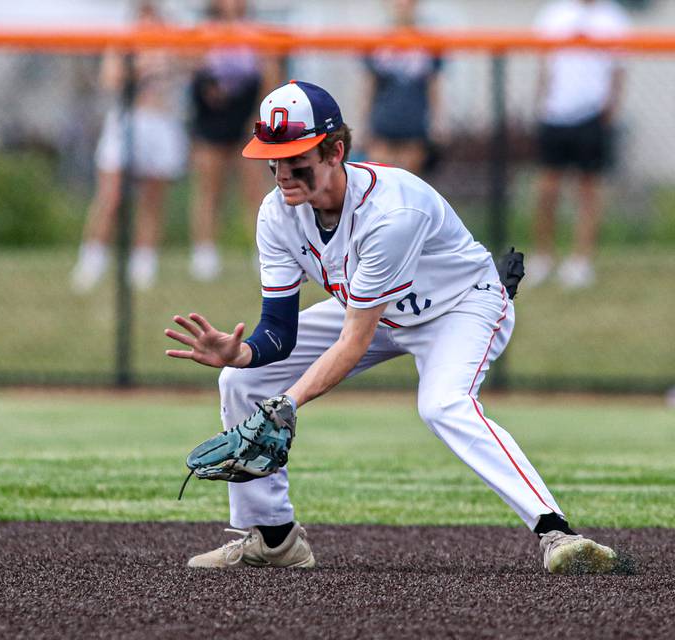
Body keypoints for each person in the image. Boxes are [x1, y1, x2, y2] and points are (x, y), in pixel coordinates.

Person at [165, 80, 618, 575]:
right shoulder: (276, 215)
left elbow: (354, 341)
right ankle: (273, 538)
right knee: (240, 382)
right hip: (378, 311)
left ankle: (556, 533)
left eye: (296, 157)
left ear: (335, 151)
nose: (281, 172)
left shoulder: (391, 211)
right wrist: (243, 354)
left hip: (458, 308)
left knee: (442, 405)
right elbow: (279, 330)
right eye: (272, 159)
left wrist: (287, 405)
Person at [70, 2, 188, 292]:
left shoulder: (174, 39)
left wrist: (169, 59)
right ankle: (92, 261)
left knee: (152, 199)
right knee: (110, 197)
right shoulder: (123, 40)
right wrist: (139, 67)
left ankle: (144, 263)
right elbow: (110, 79)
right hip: (127, 119)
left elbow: (190, 67)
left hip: (161, 121)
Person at [527, 0, 630, 289]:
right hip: (554, 113)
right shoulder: (554, 13)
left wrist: (611, 111)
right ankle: (543, 256)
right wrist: (540, 103)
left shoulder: (613, 18)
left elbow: (618, 71)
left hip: (592, 115)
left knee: (588, 191)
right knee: (547, 190)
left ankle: (580, 260)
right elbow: (544, 66)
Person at [186, 0, 276, 281]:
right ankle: (204, 253)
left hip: (245, 115)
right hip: (212, 119)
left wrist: (260, 116)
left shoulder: (256, 35)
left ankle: (263, 252)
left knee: (254, 189)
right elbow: (193, 70)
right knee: (209, 187)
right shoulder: (205, 32)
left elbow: (270, 78)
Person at [363, 0, 446, 174]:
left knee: (410, 179)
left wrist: (437, 123)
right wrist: (365, 123)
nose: (403, 6)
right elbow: (369, 85)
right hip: (383, 118)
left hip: (414, 120)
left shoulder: (428, 41)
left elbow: (433, 85)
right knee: (381, 176)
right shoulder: (377, 40)